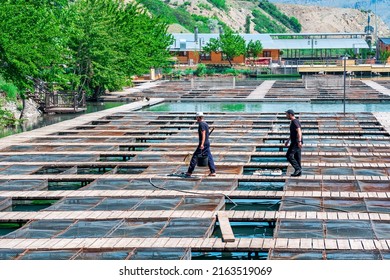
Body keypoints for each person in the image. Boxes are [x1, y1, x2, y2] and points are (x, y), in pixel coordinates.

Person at [185, 112, 216, 177]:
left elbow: (203, 134)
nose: (196, 119)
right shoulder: (205, 123)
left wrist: (202, 144)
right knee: (209, 157)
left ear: (199, 117)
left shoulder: (201, 124)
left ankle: (189, 172)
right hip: (207, 143)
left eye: (197, 117)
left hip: (203, 143)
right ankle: (213, 171)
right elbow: (207, 131)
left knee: (195, 157)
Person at [285, 109, 303, 177]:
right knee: (297, 157)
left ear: (290, 114)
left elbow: (299, 131)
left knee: (289, 155)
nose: (286, 116)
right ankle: (299, 172)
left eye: (286, 114)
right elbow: (293, 133)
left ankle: (298, 169)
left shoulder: (295, 121)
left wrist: (299, 141)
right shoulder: (294, 121)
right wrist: (288, 140)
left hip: (296, 142)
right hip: (295, 141)